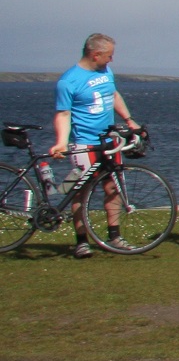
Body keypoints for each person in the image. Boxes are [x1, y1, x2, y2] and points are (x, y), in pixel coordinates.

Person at [51, 33, 143, 259]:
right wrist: (62, 142)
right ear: (96, 55)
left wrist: (129, 120)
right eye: (109, 56)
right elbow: (63, 113)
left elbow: (112, 95)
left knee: (113, 188)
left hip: (109, 141)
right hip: (85, 143)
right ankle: (81, 242)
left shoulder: (105, 72)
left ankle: (115, 236)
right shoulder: (68, 81)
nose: (111, 60)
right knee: (81, 192)